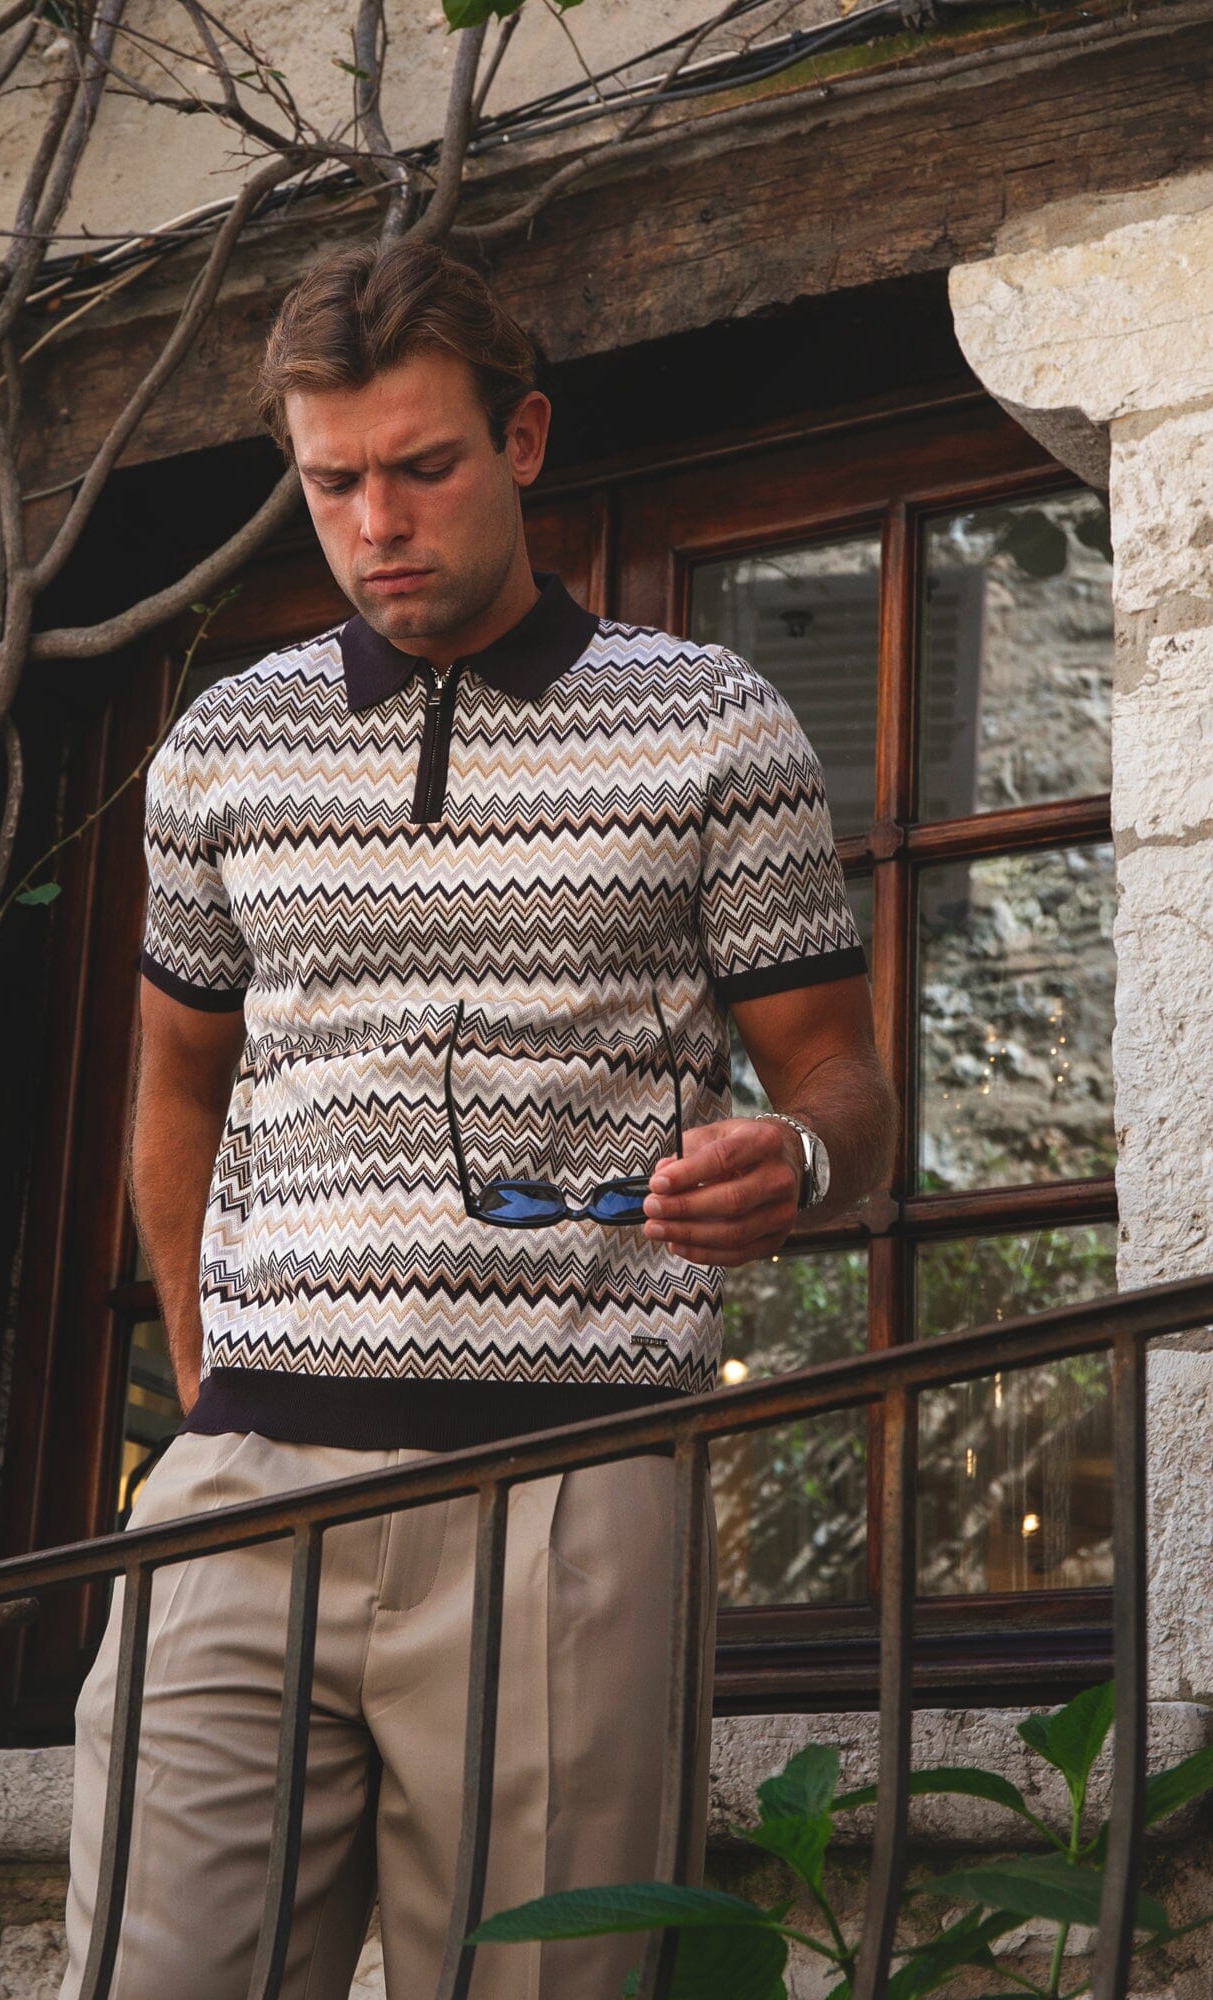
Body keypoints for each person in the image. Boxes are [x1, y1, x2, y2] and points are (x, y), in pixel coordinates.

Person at [61, 240, 896, 2000]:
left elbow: (841, 1074)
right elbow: (180, 1079)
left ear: (522, 441)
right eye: (332, 483)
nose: (377, 523)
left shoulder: (715, 724)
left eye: (422, 467)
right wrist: (210, 1387)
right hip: (244, 1491)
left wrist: (803, 1159)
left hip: (570, 1485)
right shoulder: (222, 745)